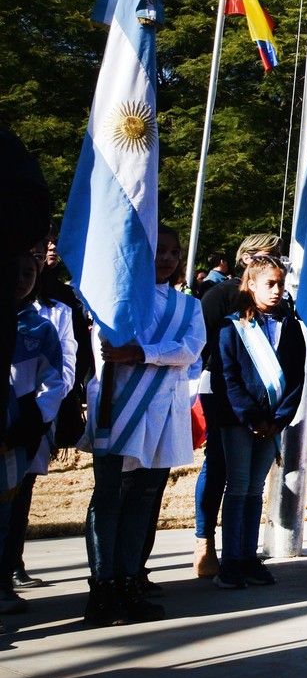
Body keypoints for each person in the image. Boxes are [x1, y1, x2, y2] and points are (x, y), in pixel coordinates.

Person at [83, 225, 204, 624]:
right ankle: (103, 589)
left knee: (143, 499)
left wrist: (142, 353)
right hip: (119, 410)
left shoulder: (189, 306)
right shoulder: (118, 299)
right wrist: (143, 354)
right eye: (159, 251)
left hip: (163, 413)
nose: (167, 258)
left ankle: (129, 581)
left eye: (174, 252)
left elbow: (189, 349)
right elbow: (107, 350)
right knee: (109, 498)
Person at [211, 255, 303, 590]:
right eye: (270, 284)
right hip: (239, 420)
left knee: (255, 488)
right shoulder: (232, 326)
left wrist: (279, 419)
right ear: (250, 284)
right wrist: (251, 416)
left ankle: (249, 556)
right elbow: (227, 377)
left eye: (281, 284)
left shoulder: (290, 326)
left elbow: (296, 377)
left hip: (273, 422)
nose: (277, 290)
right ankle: (230, 561)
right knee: (237, 486)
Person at [192, 231, 280, 578]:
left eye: (278, 257)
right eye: (267, 256)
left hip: (264, 401)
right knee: (217, 464)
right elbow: (198, 341)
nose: (274, 262)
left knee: (249, 481)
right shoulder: (221, 294)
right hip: (221, 391)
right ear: (246, 259)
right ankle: (205, 541)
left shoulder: (278, 301)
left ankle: (243, 551)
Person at [2, 245, 66, 615]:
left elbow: (52, 383)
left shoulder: (39, 329)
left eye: (29, 273)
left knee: (8, 516)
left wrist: (27, 427)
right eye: (14, 271)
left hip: (14, 441)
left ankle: (3, 585)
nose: (21, 280)